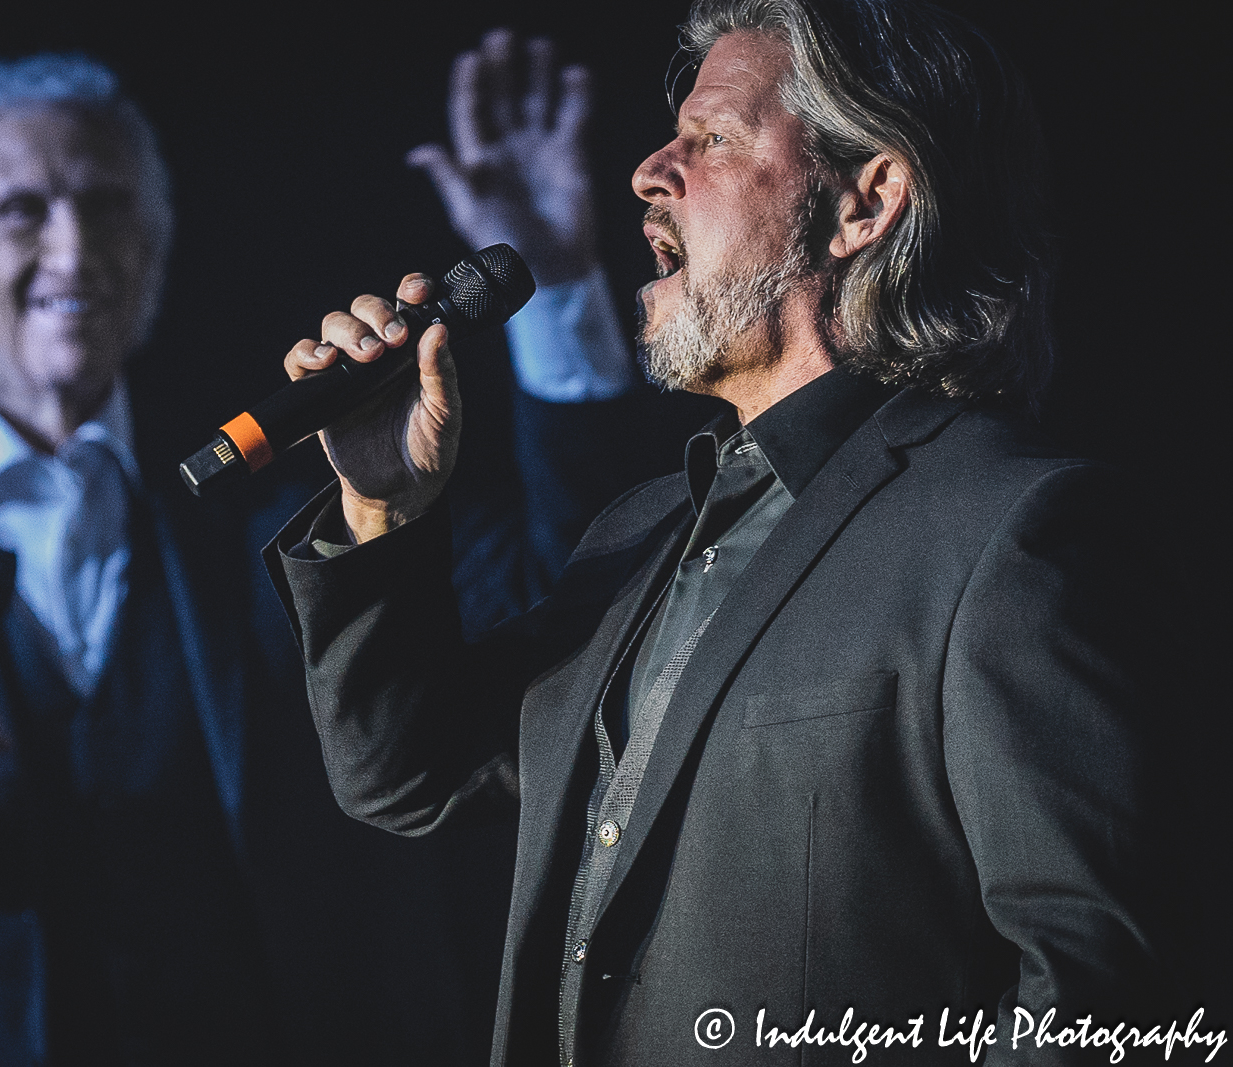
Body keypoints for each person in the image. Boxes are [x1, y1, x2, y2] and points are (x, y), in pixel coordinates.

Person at [0, 48, 652, 1066]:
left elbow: (559, 600)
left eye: (106, 205)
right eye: (22, 209)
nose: (75, 243)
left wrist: (557, 274)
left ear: (153, 247)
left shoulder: (291, 467)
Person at [268, 1, 1178, 1064]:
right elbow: (408, 774)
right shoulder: (642, 530)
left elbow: (1105, 1004)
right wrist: (381, 506)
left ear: (863, 201)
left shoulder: (1010, 535)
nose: (648, 170)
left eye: (708, 139)